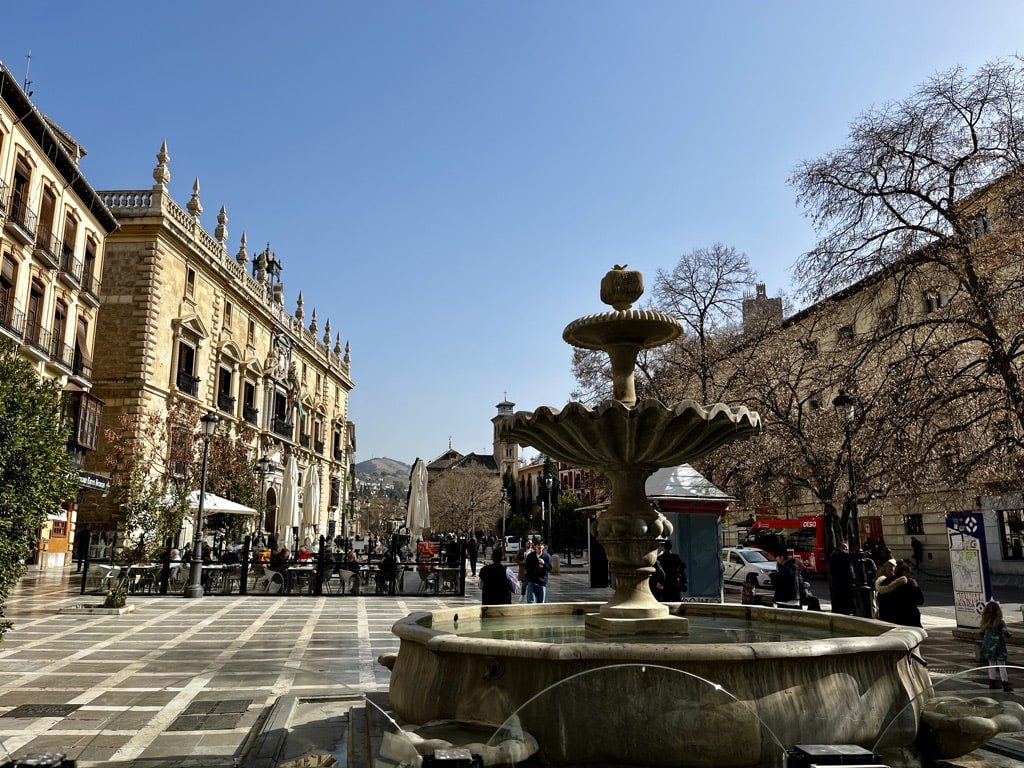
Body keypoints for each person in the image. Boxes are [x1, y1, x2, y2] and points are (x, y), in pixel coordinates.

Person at [980, 600, 1014, 692]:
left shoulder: (985, 622)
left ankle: (992, 682)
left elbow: (981, 633)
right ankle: (1005, 684)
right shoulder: (1000, 622)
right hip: (999, 647)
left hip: (989, 647)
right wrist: (1009, 635)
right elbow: (1005, 632)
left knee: (991, 664)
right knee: (1002, 665)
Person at [882, 561, 924, 627]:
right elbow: (920, 600)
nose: (911, 575)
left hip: (886, 617)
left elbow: (880, 599)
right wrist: (916, 587)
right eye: (911, 573)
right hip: (906, 619)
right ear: (904, 573)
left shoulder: (885, 581)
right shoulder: (907, 584)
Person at [829, 542, 856, 615]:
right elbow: (850, 556)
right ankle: (849, 611)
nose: (846, 548)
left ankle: (843, 610)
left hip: (838, 579)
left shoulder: (834, 555)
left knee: (841, 596)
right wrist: (861, 554)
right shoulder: (841, 554)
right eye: (845, 547)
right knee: (848, 596)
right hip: (845, 580)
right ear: (841, 547)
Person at [525, 537, 552, 604]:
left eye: (541, 545)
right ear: (535, 546)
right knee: (531, 603)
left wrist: (544, 564)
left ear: (543, 546)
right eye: (538, 545)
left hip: (542, 583)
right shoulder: (530, 556)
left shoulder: (547, 556)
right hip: (532, 582)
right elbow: (527, 568)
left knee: (541, 604)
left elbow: (550, 569)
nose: (540, 546)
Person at [516, 538, 534, 602]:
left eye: (531, 543)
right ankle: (522, 595)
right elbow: (516, 559)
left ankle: (530, 597)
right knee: (524, 584)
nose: (530, 544)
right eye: (528, 543)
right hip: (524, 571)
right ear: (525, 543)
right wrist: (522, 562)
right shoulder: (521, 550)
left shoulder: (533, 551)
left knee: (531, 585)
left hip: (531, 572)